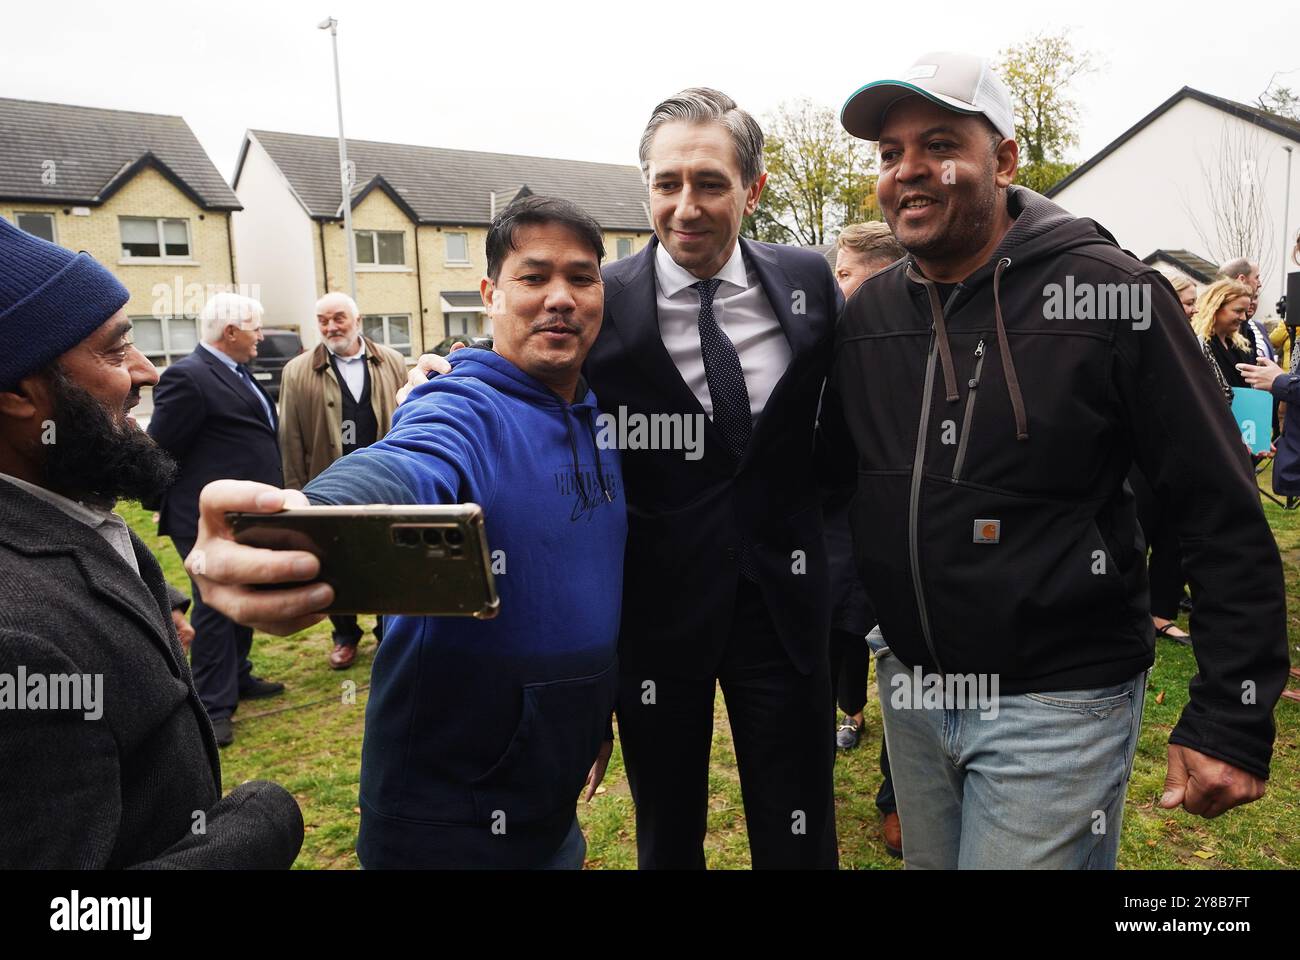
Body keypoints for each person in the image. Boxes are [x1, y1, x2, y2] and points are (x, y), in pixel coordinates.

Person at [826, 50, 1289, 869]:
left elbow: (1215, 503)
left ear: (1003, 159)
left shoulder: (1110, 293)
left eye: (939, 143)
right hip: (914, 689)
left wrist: (1232, 712)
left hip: (1057, 699)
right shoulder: (870, 317)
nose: (909, 171)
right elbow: (837, 483)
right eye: (890, 153)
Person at [403, 91, 843, 870]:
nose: (686, 206)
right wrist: (442, 372)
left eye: (710, 182)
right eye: (666, 183)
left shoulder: (808, 284)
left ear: (754, 188)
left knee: (800, 823)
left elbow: (842, 427)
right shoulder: (601, 298)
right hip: (655, 617)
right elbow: (522, 371)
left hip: (784, 606)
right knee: (666, 831)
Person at [185, 196, 625, 869]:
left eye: (582, 277)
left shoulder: (601, 418)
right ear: (490, 295)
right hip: (447, 810)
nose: (560, 298)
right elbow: (407, 463)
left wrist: (591, 718)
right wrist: (302, 523)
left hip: (552, 795)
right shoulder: (460, 403)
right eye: (534, 278)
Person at [0, 217, 302, 868]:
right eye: (114, 352)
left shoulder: (72, 516)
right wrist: (255, 829)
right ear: (19, 394)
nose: (145, 372)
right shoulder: (15, 642)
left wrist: (144, 599)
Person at [147, 292, 285, 747]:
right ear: (230, 332)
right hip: (203, 518)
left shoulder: (236, 371)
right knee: (216, 604)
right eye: (255, 329)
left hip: (245, 514)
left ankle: (238, 677)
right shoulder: (188, 377)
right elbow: (159, 449)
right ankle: (213, 705)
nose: (261, 337)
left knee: (243, 592)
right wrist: (164, 505)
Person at [826, 222, 905, 857]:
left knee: (907, 657)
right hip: (840, 531)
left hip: (911, 537)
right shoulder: (828, 342)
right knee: (849, 637)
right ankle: (850, 714)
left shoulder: (930, 337)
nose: (834, 286)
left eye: (845, 274)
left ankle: (898, 794)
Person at [279, 292, 409, 670]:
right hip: (328, 482)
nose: (331, 327)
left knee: (387, 554)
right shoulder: (297, 370)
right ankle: (344, 634)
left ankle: (387, 630)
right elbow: (290, 438)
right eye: (323, 320)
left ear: (358, 319)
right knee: (334, 558)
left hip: (387, 480)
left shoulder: (393, 361)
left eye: (338, 318)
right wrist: (296, 492)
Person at [1190, 279, 1254, 401]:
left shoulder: (1239, 345)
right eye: (1238, 311)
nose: (1243, 318)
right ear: (1215, 307)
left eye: (1245, 312)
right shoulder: (1200, 345)